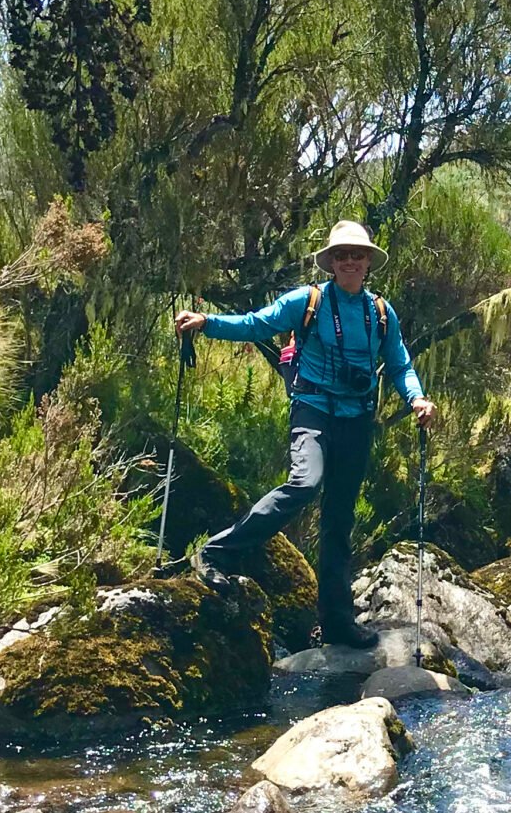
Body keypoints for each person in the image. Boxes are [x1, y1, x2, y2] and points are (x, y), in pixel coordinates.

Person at [174, 220, 436, 648]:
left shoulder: (382, 314)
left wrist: (417, 399)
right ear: (331, 262)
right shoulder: (307, 300)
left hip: (357, 421)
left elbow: (401, 364)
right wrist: (207, 322)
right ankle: (216, 553)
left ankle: (337, 623)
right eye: (342, 255)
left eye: (358, 254)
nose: (350, 261)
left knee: (339, 520)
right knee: (304, 483)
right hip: (312, 409)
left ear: (368, 261)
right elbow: (256, 325)